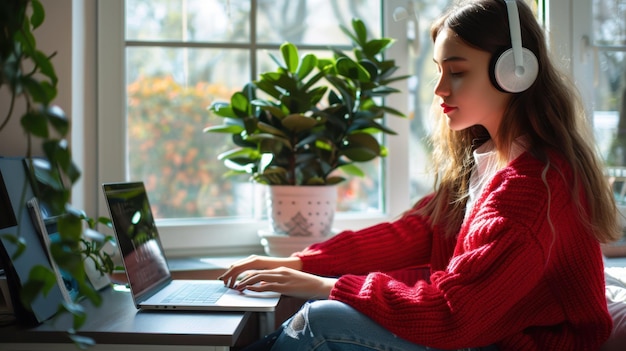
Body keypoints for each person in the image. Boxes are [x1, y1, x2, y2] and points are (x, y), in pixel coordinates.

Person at [219, 0, 622, 350]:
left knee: (322, 321)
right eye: (439, 71)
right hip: (481, 335)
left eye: (458, 71)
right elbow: (416, 233)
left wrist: (325, 285)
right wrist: (301, 263)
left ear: (515, 72)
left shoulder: (534, 188)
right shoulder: (487, 162)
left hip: (512, 344)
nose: (440, 88)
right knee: (317, 311)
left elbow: (454, 313)